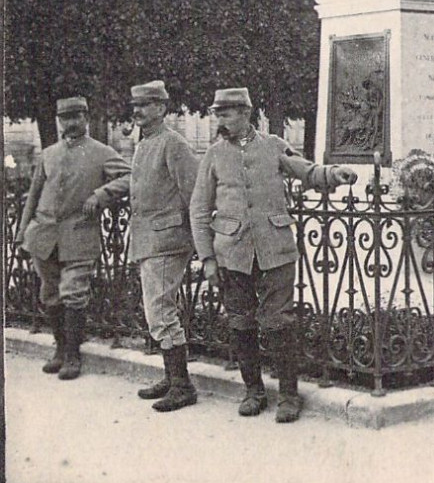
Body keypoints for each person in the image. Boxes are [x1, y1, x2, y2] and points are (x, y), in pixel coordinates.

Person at [190, 87, 357, 423]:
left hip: (275, 248)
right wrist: (207, 258)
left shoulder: (273, 145)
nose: (220, 120)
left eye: (226, 113)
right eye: (218, 114)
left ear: (245, 113)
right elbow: (198, 208)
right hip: (232, 253)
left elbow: (306, 170)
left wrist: (333, 173)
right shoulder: (214, 155)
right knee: (240, 321)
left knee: (279, 322)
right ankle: (253, 391)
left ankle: (289, 396)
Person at [15, 96, 131, 380]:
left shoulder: (102, 152)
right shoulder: (49, 154)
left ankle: (72, 355)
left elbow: (130, 177)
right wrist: (21, 233)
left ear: (87, 118)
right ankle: (59, 348)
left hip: (79, 233)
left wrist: (100, 195)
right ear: (59, 121)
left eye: (76, 116)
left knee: (73, 292)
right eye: (65, 118)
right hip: (44, 235)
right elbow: (34, 196)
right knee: (49, 293)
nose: (71, 123)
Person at [128, 80, 199, 412]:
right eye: (135, 106)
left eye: (145, 105)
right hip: (149, 238)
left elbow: (194, 194)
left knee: (159, 310)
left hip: (168, 240)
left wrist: (196, 239)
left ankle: (182, 386)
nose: (138, 111)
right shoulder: (143, 144)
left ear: (161, 107)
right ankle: (172, 378)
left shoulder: (174, 144)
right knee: (156, 309)